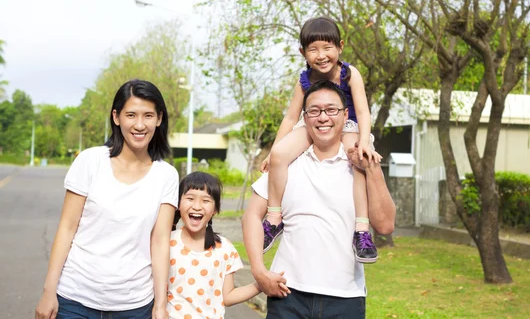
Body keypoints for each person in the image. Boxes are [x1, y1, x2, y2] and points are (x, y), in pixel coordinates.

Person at [243, 80, 396, 319]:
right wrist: (259, 271)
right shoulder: (287, 164)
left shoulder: (360, 168)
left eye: (331, 109)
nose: (322, 117)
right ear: (305, 118)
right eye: (314, 111)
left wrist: (372, 170)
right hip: (287, 296)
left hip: (346, 299)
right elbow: (252, 215)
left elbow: (386, 225)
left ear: (346, 115)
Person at [35, 79, 179, 319]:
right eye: (131, 115)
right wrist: (49, 292)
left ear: (159, 119)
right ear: (116, 117)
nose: (140, 125)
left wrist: (160, 305)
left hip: (135, 304)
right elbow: (67, 228)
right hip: (75, 298)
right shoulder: (90, 161)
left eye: (148, 116)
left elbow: (160, 241)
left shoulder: (166, 175)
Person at [261, 16, 382, 263]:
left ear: (340, 46)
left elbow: (362, 111)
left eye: (327, 48)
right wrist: (273, 150)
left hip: (347, 125)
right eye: (313, 49)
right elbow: (290, 118)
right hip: (313, 123)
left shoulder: (350, 74)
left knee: (357, 159)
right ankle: (274, 218)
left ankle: (361, 230)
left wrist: (364, 142)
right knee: (279, 156)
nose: (321, 55)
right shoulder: (304, 81)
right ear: (302, 52)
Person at [167, 171, 264, 318]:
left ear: (215, 209)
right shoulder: (165, 243)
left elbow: (228, 296)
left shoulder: (225, 249)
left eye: (206, 201)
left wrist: (261, 285)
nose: (197, 206)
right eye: (190, 198)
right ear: (178, 204)